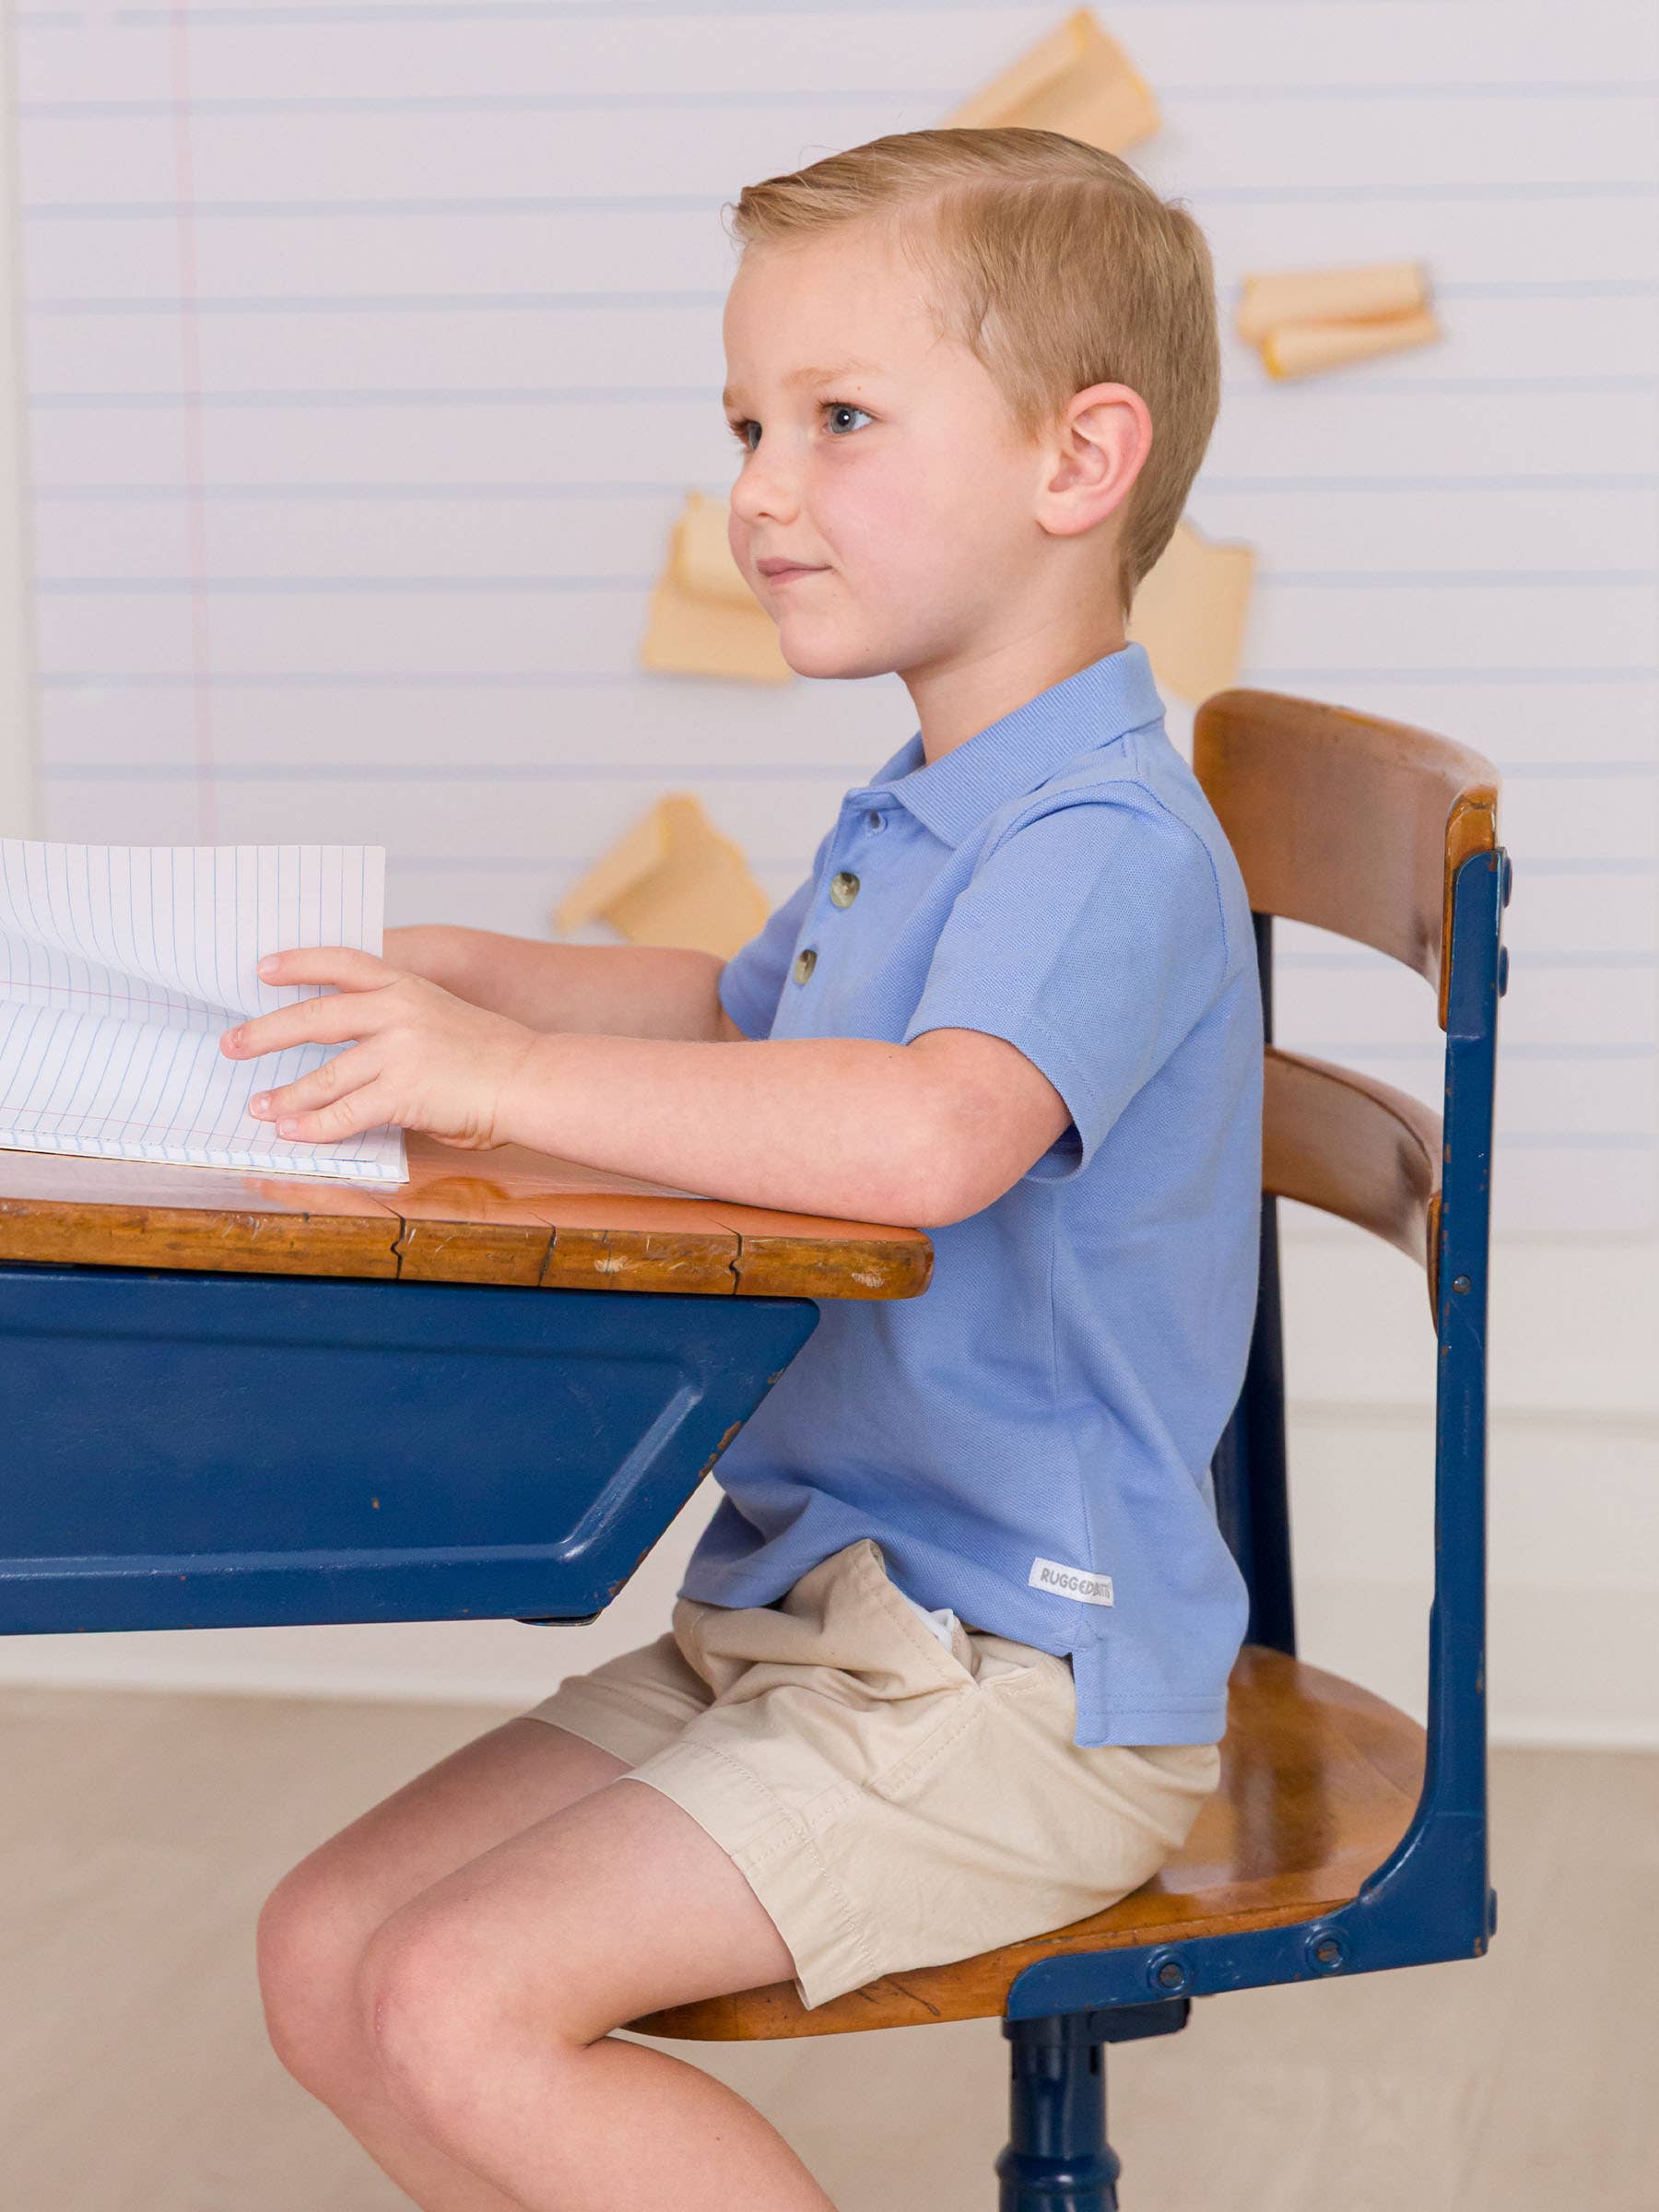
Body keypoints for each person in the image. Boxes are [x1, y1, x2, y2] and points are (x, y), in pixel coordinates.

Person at [241, 126, 1263, 2212]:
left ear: (1079, 462)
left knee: (453, 1996)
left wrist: (504, 1072)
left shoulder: (1102, 844)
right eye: (746, 424)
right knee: (330, 1954)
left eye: (838, 421)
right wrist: (460, 979)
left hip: (1020, 1683)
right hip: (813, 1617)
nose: (760, 491)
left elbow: (921, 1135)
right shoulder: (938, 805)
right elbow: (741, 1019)